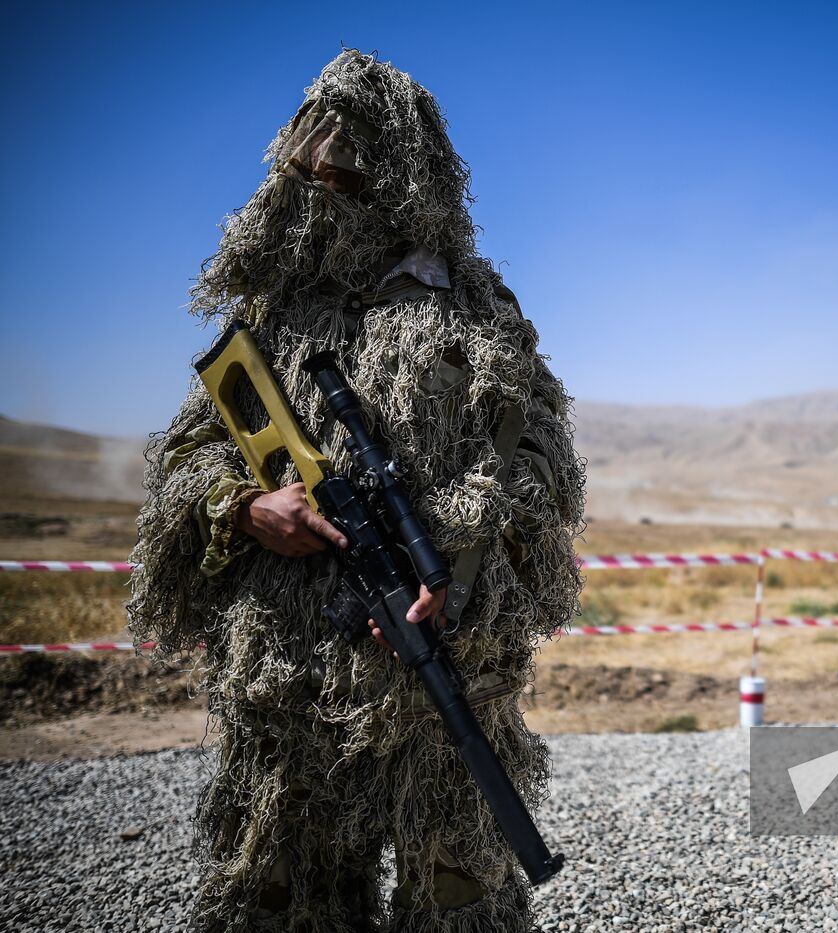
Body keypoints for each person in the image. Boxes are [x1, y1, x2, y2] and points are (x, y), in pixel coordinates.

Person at [127, 50, 586, 933]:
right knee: (281, 893)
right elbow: (183, 462)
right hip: (286, 668)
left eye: (354, 175)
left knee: (456, 892)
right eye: (317, 172)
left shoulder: (477, 311)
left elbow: (540, 468)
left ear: (406, 179)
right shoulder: (267, 321)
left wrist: (451, 560)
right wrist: (244, 506)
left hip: (446, 658)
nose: (332, 190)